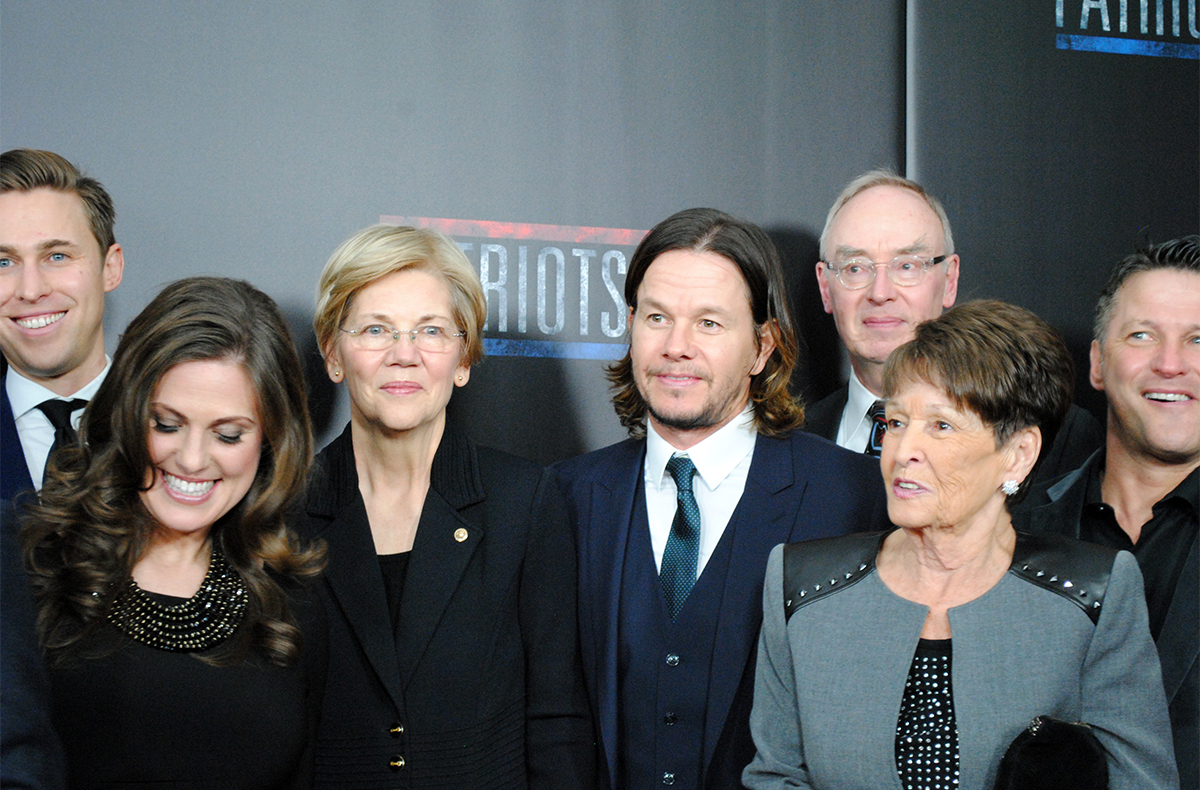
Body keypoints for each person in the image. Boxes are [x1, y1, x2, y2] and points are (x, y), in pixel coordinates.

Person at [744, 300, 1178, 790]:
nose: (903, 450)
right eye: (896, 422)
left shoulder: (1093, 596)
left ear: (1018, 455)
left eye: (941, 425)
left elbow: (1141, 782)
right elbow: (776, 778)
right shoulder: (801, 588)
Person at [554, 208, 889, 790]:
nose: (676, 346)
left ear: (763, 348)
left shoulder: (852, 496)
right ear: (631, 326)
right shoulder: (567, 497)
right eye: (657, 317)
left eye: (709, 323)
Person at [298, 224, 594, 789]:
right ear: (333, 354)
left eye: (430, 331)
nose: (404, 355)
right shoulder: (283, 507)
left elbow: (558, 722)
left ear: (463, 358)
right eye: (376, 329)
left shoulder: (524, 502)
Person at [22, 277, 328, 788]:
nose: (190, 459)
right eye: (166, 424)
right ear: (125, 412)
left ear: (271, 440)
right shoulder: (32, 563)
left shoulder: (297, 598)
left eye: (228, 434)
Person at [1015, 235, 1199, 788]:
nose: (1170, 364)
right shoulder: (1011, 534)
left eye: (1198, 340)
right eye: (1142, 336)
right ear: (1098, 362)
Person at [803, 169, 1101, 484]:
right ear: (825, 287)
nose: (880, 292)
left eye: (907, 266)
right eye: (855, 268)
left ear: (949, 280)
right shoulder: (789, 443)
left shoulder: (1055, 435)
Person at [1, 148, 125, 789]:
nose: (29, 289)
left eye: (56, 255)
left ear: (110, 266)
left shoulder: (187, 444)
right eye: (2, 261)